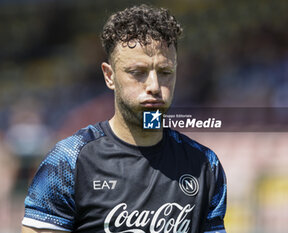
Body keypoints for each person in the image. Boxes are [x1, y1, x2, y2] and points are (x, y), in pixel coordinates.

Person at [21, 4, 227, 233]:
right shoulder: (68, 162)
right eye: (138, 72)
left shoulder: (205, 165)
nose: (154, 86)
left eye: (165, 72)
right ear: (109, 76)